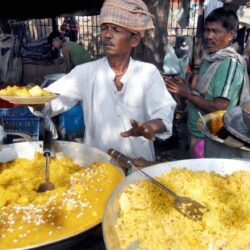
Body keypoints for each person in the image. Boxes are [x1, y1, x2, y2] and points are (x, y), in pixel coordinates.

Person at [30, 0, 176, 162]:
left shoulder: (148, 73)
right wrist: (34, 98)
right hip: (97, 169)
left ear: (134, 39)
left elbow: (164, 113)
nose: (107, 35)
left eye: (116, 29)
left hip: (139, 167)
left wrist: (149, 127)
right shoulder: (85, 72)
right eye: (104, 28)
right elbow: (50, 102)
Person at [164, 7, 250, 158]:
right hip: (198, 130)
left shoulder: (229, 63)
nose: (209, 36)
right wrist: (185, 85)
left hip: (211, 137)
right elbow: (204, 91)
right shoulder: (212, 57)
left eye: (215, 31)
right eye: (207, 30)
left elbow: (219, 106)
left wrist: (186, 93)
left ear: (231, 35)